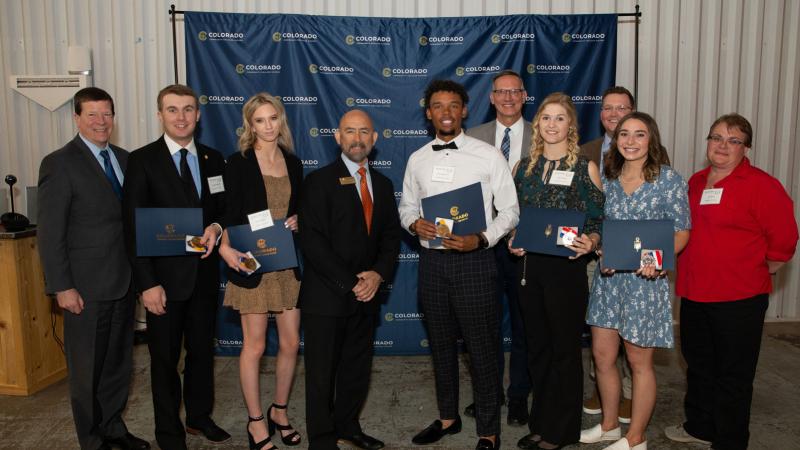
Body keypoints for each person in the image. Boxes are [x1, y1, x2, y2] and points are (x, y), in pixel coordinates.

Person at [666, 113, 798, 450]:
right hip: (694, 293)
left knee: (733, 375)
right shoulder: (695, 182)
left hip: (739, 298)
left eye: (733, 140)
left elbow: (783, 242)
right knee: (697, 365)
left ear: (746, 147)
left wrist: (755, 270)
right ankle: (700, 425)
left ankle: (730, 440)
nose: (723, 146)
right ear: (708, 142)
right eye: (716, 138)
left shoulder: (762, 186)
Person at [401, 79, 519, 450]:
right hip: (433, 264)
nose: (447, 112)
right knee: (440, 347)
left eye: (454, 105)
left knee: (482, 350)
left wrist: (481, 238)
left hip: (475, 263)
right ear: (429, 112)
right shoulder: (417, 158)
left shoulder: (488, 156)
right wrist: (412, 223)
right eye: (439, 106)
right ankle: (448, 418)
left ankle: (488, 430)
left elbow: (511, 211)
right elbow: (406, 205)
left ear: (465, 110)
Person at [37, 87, 149, 450]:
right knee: (87, 371)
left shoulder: (125, 159)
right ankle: (91, 440)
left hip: (122, 281)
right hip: (83, 288)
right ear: (76, 118)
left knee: (118, 365)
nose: (101, 122)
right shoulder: (59, 163)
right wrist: (61, 286)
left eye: (107, 114)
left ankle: (114, 428)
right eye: (92, 115)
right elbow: (50, 231)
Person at [122, 84, 229, 450]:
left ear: (198, 115)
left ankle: (199, 418)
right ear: (160, 115)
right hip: (163, 285)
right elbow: (133, 227)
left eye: (187, 109)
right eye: (172, 110)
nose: (181, 117)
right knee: (164, 361)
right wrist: (146, 284)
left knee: (201, 354)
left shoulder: (215, 160)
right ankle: (169, 433)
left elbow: (222, 212)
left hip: (203, 277)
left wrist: (216, 228)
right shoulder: (141, 160)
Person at [580, 112, 690, 450]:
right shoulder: (607, 178)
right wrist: (602, 252)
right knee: (602, 357)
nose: (630, 141)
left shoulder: (668, 179)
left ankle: (635, 438)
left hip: (646, 284)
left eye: (639, 134)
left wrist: (657, 262)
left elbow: (682, 231)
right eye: (624, 134)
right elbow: (599, 229)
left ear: (651, 140)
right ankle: (611, 425)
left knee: (639, 363)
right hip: (609, 282)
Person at [298, 109, 401, 450]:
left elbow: (390, 238)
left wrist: (378, 274)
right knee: (322, 374)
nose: (357, 138)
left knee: (356, 368)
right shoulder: (317, 181)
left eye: (364, 132)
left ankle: (348, 426)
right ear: (337, 137)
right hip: (327, 297)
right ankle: (323, 440)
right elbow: (313, 242)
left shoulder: (384, 186)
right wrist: (351, 282)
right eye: (349, 131)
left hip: (367, 295)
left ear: (374, 138)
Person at [508, 92, 604, 450]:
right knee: (538, 349)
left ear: (571, 125)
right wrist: (512, 239)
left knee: (564, 350)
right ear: (539, 125)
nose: (551, 124)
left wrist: (592, 240)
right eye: (546, 117)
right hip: (529, 267)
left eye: (559, 118)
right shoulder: (523, 168)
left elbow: (599, 217)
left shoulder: (584, 167)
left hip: (566, 270)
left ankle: (561, 431)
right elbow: (514, 217)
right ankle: (541, 423)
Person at [217, 93, 303, 449]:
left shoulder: (294, 163)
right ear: (249, 125)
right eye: (260, 120)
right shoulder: (236, 163)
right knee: (253, 346)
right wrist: (223, 247)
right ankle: (255, 421)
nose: (268, 126)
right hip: (251, 264)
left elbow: (299, 207)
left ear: (280, 120)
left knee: (289, 343)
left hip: (285, 264)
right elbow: (224, 211)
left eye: (273, 119)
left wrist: (300, 219)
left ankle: (279, 411)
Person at [465, 69, 533, 426]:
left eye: (515, 92)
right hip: (483, 246)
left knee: (524, 325)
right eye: (501, 92)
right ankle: (488, 394)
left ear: (524, 96)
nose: (508, 98)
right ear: (491, 98)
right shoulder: (473, 138)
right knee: (483, 326)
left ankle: (519, 394)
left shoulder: (544, 135)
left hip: (526, 246)